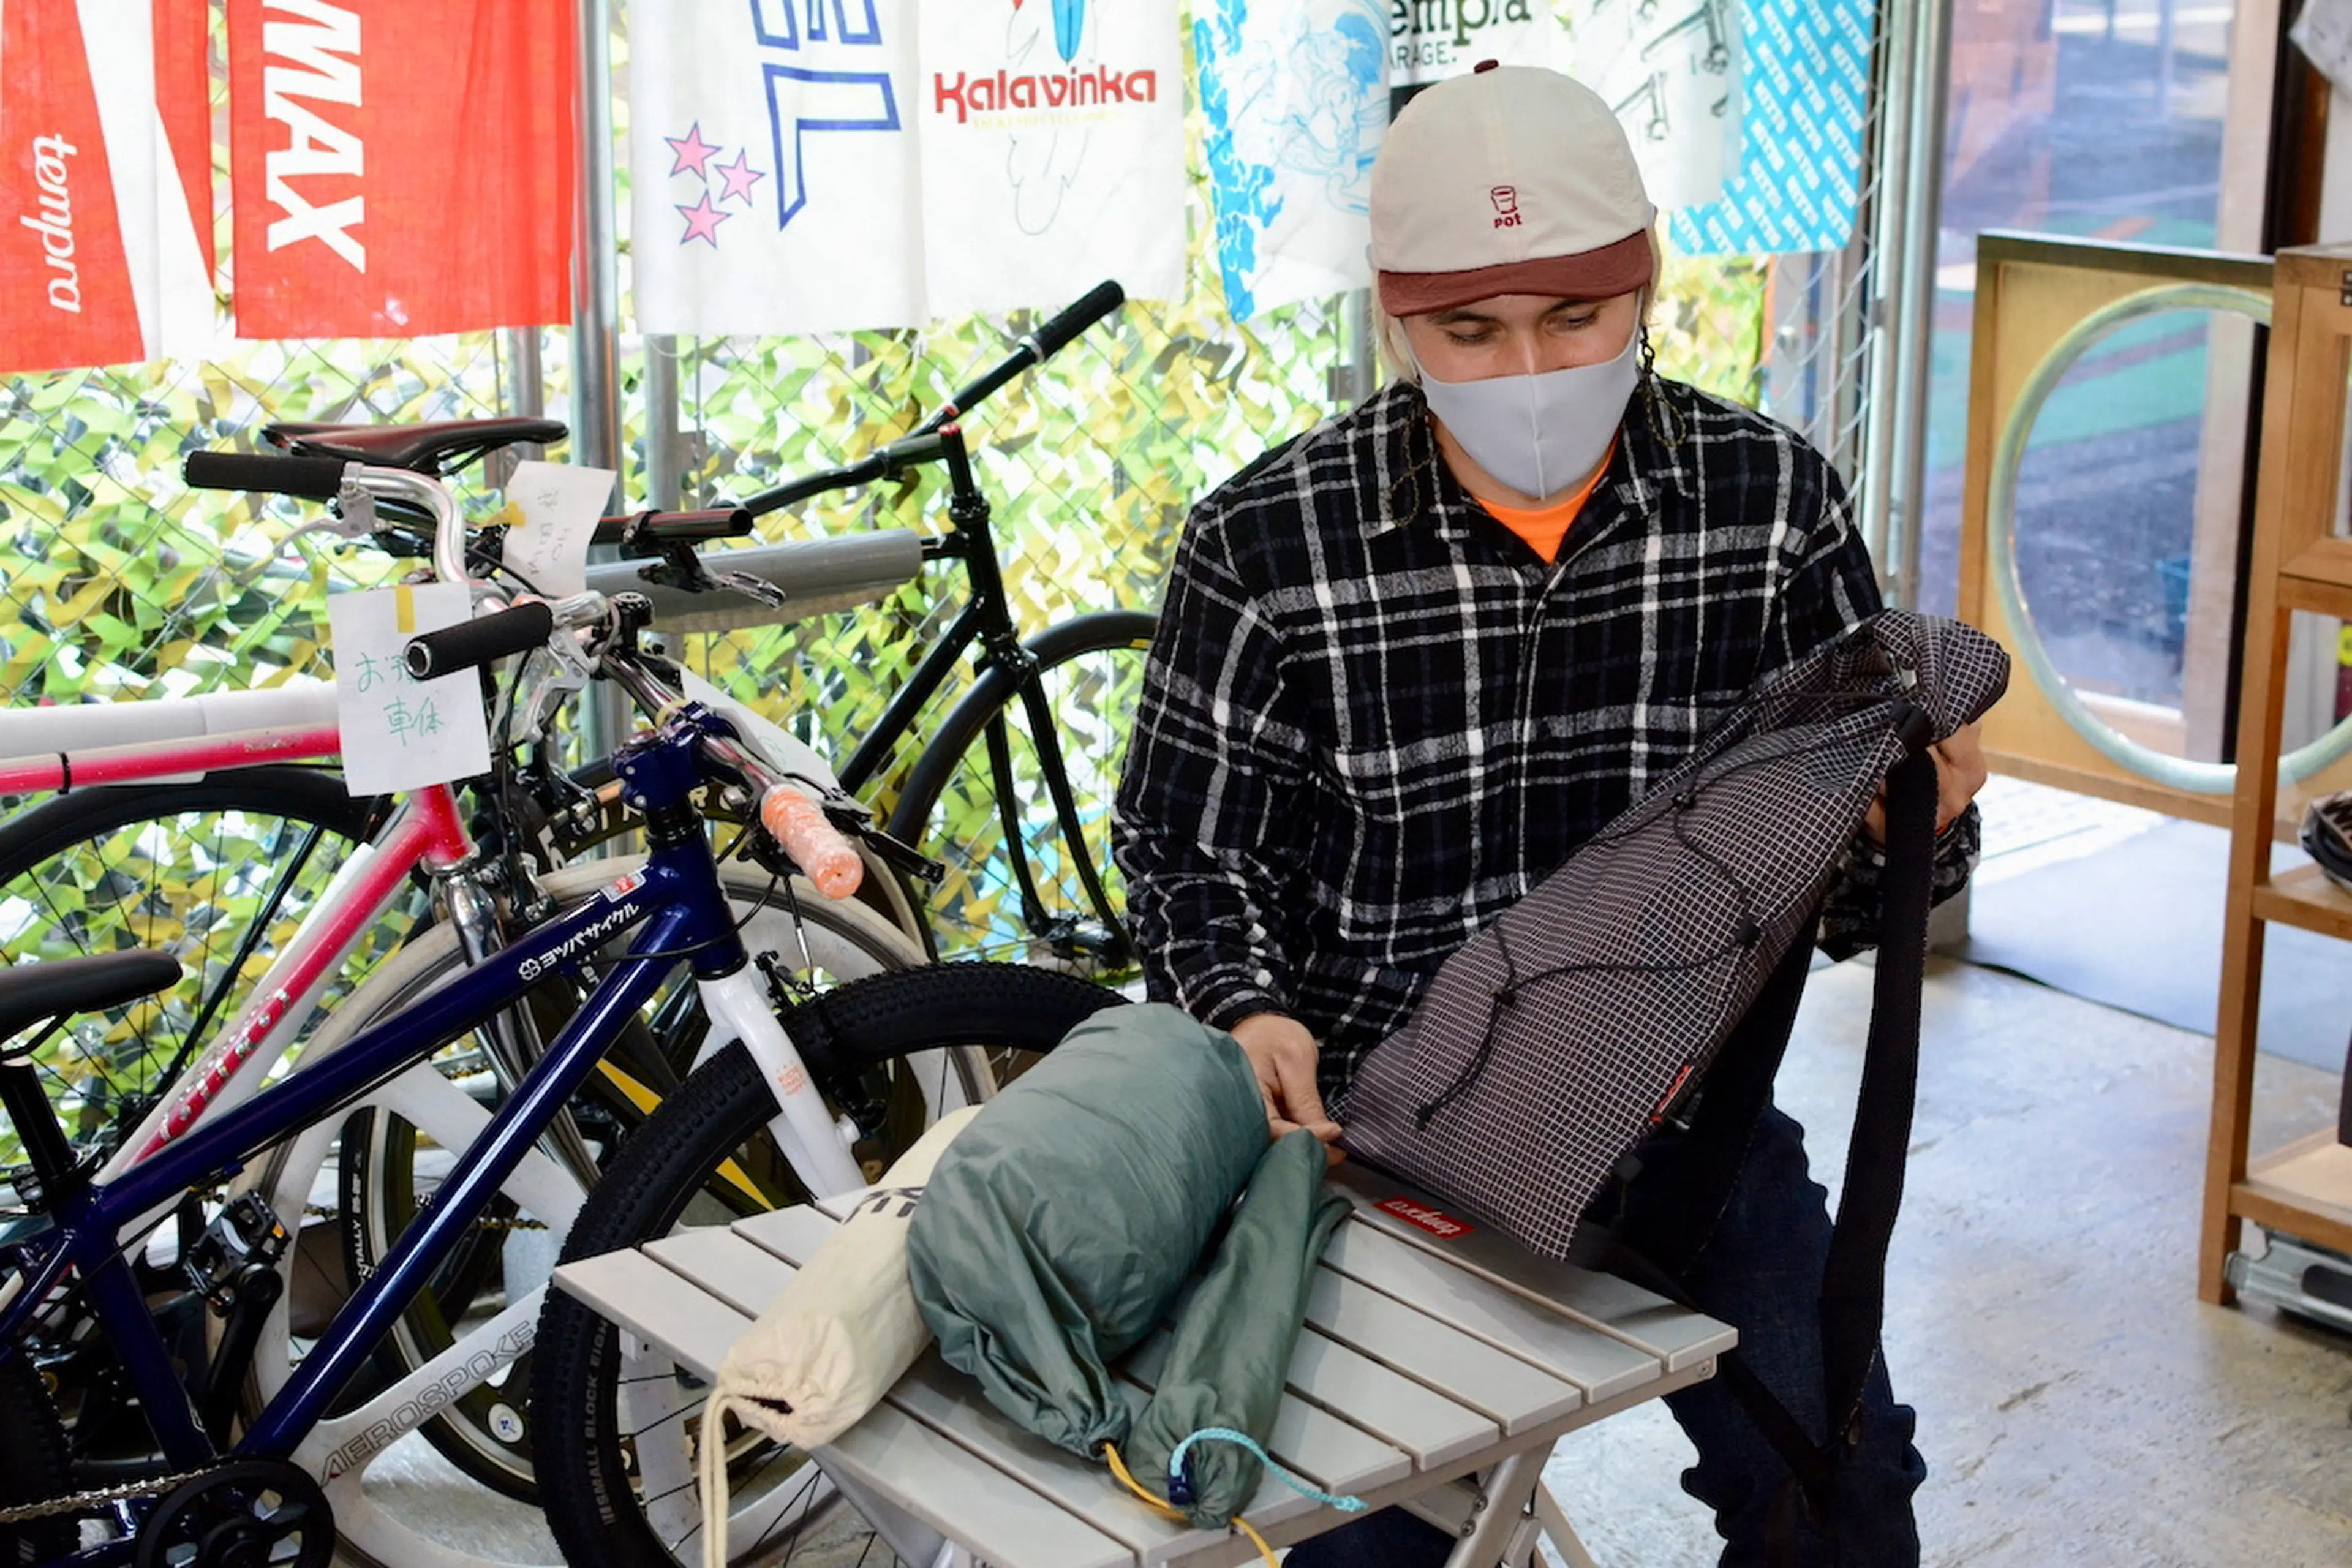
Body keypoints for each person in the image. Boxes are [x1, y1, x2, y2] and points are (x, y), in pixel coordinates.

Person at [1112, 62, 1988, 1567]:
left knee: (1843, 1499)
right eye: (1470, 331)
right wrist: (1246, 1008)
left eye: (1574, 320)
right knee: (1363, 1539)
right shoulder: (1265, 545)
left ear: (1642, 285)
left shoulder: (1767, 506)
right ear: (1398, 317)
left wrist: (1917, 823)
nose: (1527, 368)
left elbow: (1845, 906)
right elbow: (1191, 850)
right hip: (1370, 1139)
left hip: (1679, 1119)